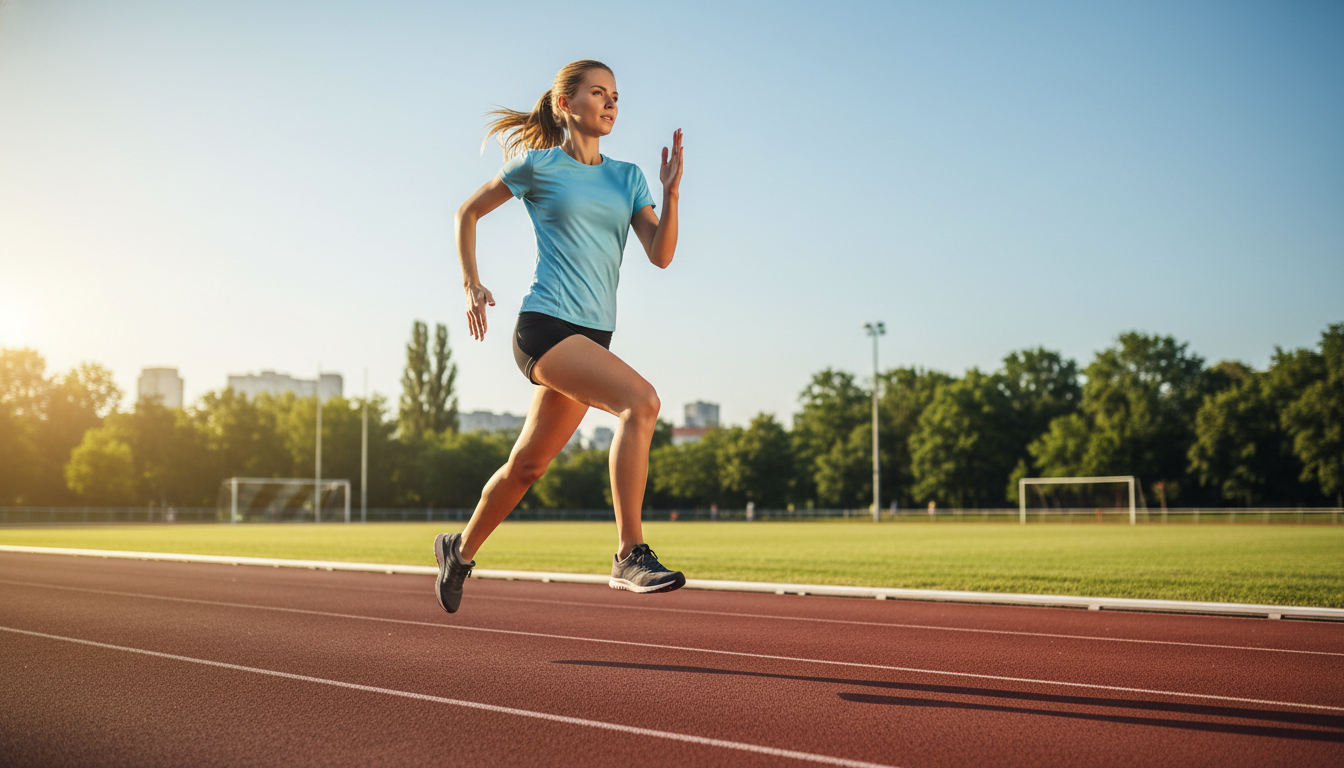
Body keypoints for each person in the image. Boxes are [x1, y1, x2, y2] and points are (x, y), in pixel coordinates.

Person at [434, 60, 686, 614]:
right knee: (641, 404)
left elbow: (661, 255)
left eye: (616, 95)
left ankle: (459, 550)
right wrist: (471, 283)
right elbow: (468, 212)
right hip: (545, 327)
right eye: (598, 93)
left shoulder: (629, 177)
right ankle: (629, 553)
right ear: (566, 105)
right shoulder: (538, 167)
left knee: (528, 465)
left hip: (593, 340)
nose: (611, 103)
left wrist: (670, 194)